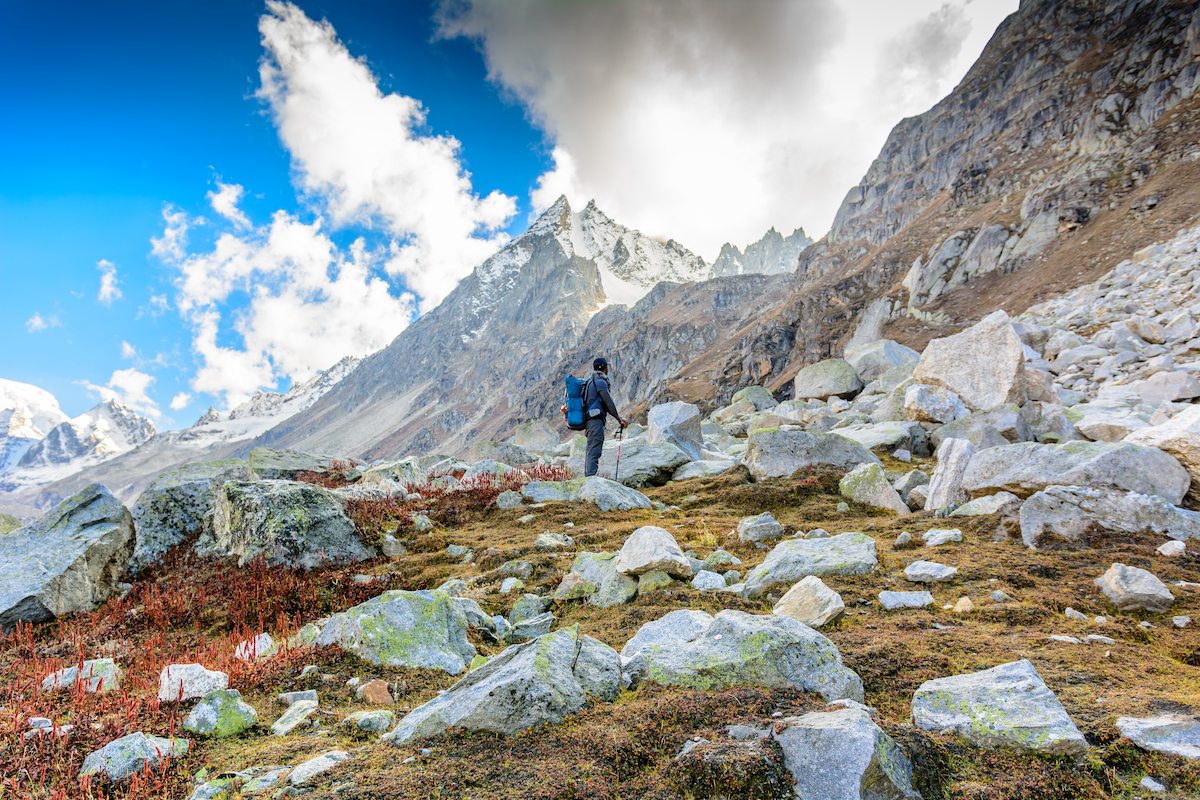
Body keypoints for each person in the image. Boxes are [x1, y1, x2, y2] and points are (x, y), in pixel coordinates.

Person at [584, 357, 629, 477]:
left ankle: (589, 477)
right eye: (607, 366)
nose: (608, 368)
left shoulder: (590, 382)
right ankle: (591, 479)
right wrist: (619, 419)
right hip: (595, 422)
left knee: (591, 450)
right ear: (604, 368)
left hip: (590, 421)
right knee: (594, 451)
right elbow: (608, 403)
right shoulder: (600, 382)